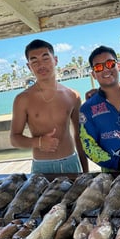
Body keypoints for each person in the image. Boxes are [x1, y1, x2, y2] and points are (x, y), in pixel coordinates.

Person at [10, 39, 88, 173]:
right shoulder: (23, 99)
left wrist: (85, 172)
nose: (41, 65)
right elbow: (14, 138)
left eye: (45, 58)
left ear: (55, 60)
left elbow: (79, 136)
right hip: (42, 167)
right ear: (29, 66)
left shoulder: (72, 96)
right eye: (34, 61)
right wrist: (38, 142)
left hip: (71, 162)